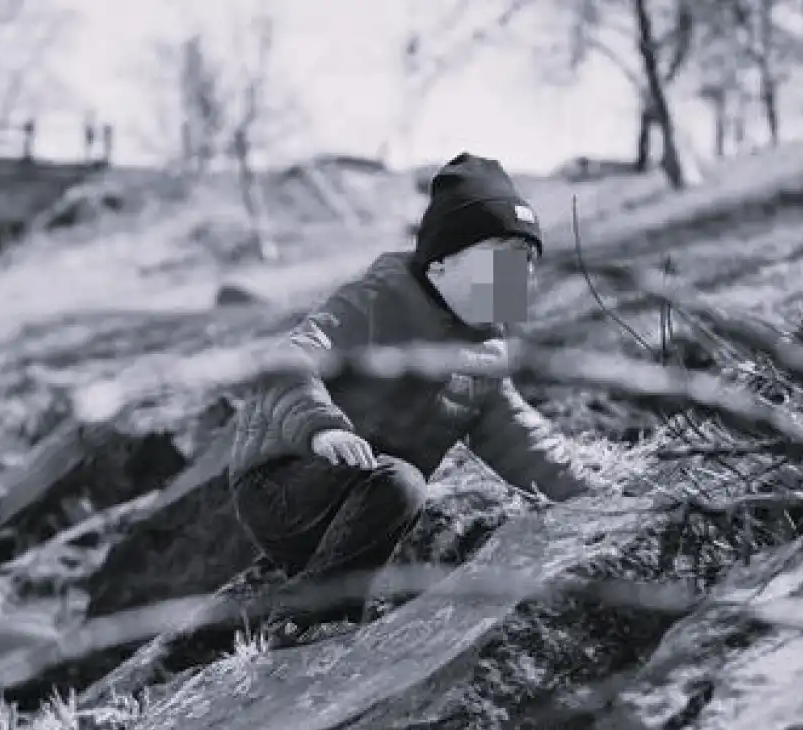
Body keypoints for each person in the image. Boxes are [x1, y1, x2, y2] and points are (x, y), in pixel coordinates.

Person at [227, 152, 601, 648]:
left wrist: (594, 499)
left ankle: (332, 597)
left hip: (364, 498)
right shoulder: (375, 302)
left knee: (400, 491)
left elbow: (520, 439)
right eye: (502, 262)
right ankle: (305, 616)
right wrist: (323, 427)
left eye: (527, 265)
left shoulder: (486, 354)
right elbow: (289, 360)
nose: (519, 280)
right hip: (283, 477)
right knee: (403, 484)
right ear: (440, 264)